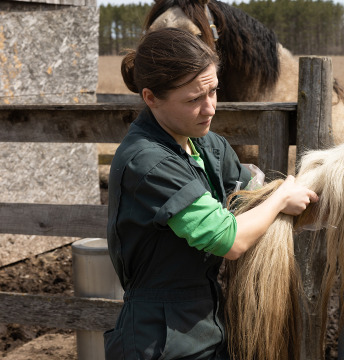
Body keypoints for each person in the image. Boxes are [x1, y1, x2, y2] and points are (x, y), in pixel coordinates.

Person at [104, 27, 318, 359]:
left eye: (214, 92)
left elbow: (250, 197)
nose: (210, 109)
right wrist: (280, 198)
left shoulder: (208, 145)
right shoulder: (147, 161)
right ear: (150, 98)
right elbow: (228, 240)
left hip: (209, 325)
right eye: (193, 100)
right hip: (160, 339)